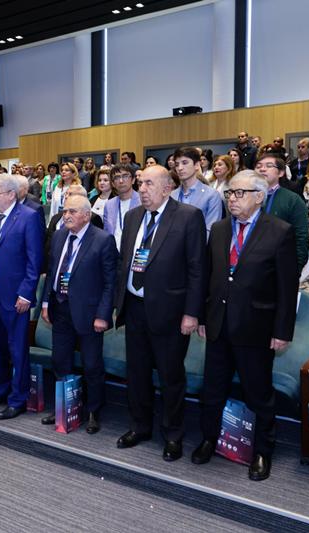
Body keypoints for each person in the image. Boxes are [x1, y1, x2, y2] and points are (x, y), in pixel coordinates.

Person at [192, 170, 298, 481]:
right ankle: (209, 438)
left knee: (258, 392)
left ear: (259, 197)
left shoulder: (279, 231)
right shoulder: (220, 228)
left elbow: (287, 286)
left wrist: (282, 331)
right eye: (229, 193)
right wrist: (202, 316)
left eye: (239, 193)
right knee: (212, 389)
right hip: (218, 324)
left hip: (256, 327)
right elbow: (209, 276)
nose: (232, 199)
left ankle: (263, 450)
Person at [114, 165, 206, 459]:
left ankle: (173, 434)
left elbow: (197, 269)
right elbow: (125, 262)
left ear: (167, 188)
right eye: (140, 183)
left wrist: (192, 313)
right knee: (137, 373)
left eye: (149, 184)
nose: (141, 189)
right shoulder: (132, 217)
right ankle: (140, 426)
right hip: (135, 307)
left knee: (170, 376)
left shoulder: (188, 216)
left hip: (171, 312)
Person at [39, 195, 117, 434]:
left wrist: (103, 315)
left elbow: (110, 283)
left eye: (72, 212)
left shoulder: (103, 240)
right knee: (60, 360)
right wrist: (45, 303)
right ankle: (65, 407)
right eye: (64, 212)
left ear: (86, 215)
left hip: (89, 314)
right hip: (60, 308)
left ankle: (93, 411)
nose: (67, 216)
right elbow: (52, 272)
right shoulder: (59, 236)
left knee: (92, 365)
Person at [0, 174, 43, 420]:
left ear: (11, 194)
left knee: (17, 349)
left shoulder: (29, 217)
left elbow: (34, 260)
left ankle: (18, 398)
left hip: (16, 296)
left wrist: (26, 293)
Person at [255, 155, 309, 272]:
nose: (262, 169)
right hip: (251, 262)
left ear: (280, 173)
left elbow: (301, 237)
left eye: (269, 166)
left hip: (280, 264)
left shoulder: (292, 199)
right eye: (258, 166)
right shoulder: (246, 196)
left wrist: (295, 269)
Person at [171, 147, 223, 238]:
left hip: (199, 244)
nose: (180, 168)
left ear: (196, 165)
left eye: (185, 163)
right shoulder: (172, 195)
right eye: (177, 164)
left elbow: (210, 230)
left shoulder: (212, 195)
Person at [102, 165, 141, 251]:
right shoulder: (109, 205)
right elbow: (106, 232)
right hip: (113, 253)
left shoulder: (142, 202)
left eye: (125, 176)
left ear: (133, 180)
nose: (121, 181)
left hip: (135, 252)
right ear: (113, 184)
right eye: (116, 178)